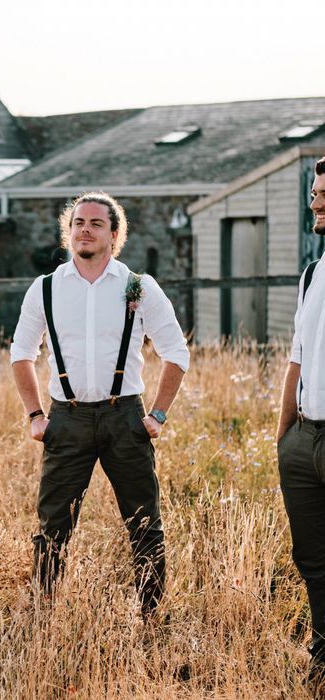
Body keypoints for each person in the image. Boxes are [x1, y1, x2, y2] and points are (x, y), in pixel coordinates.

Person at [10, 191, 189, 615]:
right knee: (53, 525)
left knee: (144, 523)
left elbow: (176, 352)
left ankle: (150, 618)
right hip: (66, 420)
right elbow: (20, 353)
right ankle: (44, 615)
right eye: (77, 223)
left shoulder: (139, 287)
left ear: (114, 233)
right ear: (68, 231)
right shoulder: (47, 288)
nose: (84, 230)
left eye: (94, 223)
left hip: (124, 416)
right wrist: (35, 415)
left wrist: (158, 414)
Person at [277, 156, 325, 693]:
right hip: (304, 439)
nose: (316, 201)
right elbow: (296, 356)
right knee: (313, 559)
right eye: (315, 192)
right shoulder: (313, 273)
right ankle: (324, 652)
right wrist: (283, 435)